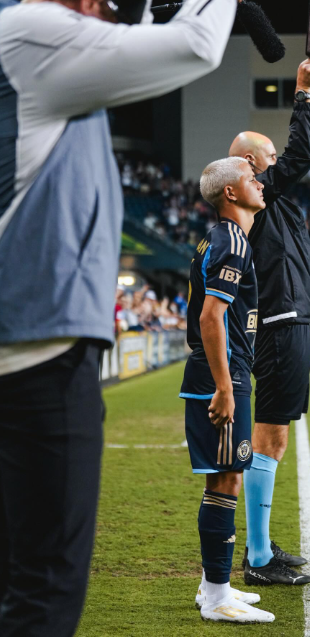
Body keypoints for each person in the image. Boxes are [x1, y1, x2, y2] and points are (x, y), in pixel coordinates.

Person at [0, 0, 240, 634]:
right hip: (33, 357)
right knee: (42, 592)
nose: (108, 13)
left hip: (26, 343)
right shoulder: (28, 33)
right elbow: (197, 45)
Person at [229, 58, 310, 585]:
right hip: (279, 322)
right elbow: (303, 152)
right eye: (268, 156)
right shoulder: (254, 196)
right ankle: (258, 558)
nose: (276, 160)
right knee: (270, 437)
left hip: (286, 320)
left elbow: (303, 152)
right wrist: (307, 95)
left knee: (274, 438)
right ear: (248, 165)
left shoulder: (265, 197)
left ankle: (261, 550)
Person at [179, 157, 274, 623]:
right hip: (223, 374)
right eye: (252, 178)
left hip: (224, 370)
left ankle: (211, 586)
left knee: (227, 476)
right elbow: (209, 316)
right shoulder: (231, 241)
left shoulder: (220, 239)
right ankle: (217, 597)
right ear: (231, 193)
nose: (260, 183)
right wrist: (224, 387)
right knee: (225, 479)